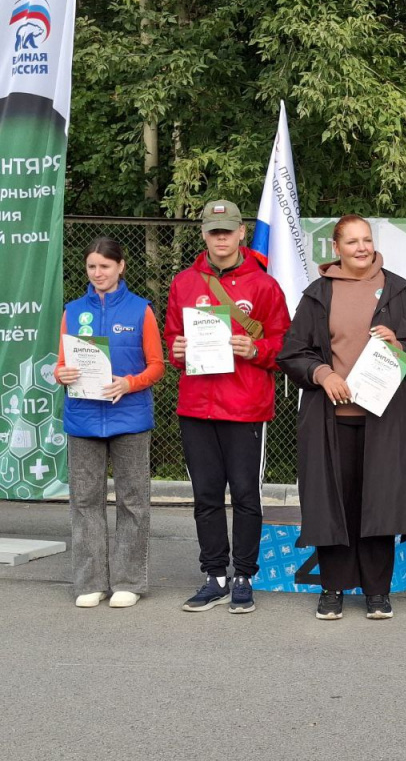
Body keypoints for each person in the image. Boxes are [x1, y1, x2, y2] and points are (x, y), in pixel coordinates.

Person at [277, 215, 406, 621]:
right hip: (329, 419)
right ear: (336, 248)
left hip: (384, 418)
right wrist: (322, 373)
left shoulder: (396, 290)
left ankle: (377, 592)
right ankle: (331, 588)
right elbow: (292, 351)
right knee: (332, 504)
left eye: (366, 239)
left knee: (379, 504)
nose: (362, 247)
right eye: (352, 242)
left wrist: (399, 343)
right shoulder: (318, 293)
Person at [164, 199, 290, 614]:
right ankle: (214, 575)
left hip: (245, 407)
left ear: (241, 233)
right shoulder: (184, 282)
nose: (221, 238)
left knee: (246, 495)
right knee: (205, 496)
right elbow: (173, 338)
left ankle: (244, 576)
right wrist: (177, 351)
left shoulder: (265, 286)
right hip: (197, 407)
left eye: (228, 230)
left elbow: (285, 345)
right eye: (214, 231)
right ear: (204, 234)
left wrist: (256, 348)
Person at [55, 237, 165, 608]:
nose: (98, 273)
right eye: (92, 266)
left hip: (129, 418)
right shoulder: (72, 310)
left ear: (121, 267)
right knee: (85, 502)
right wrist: (61, 373)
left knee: (133, 502)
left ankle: (128, 582)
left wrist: (130, 383)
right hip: (83, 419)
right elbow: (61, 364)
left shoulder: (141, 310)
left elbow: (157, 366)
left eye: (105, 266)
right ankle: (90, 582)